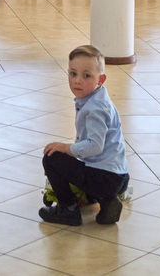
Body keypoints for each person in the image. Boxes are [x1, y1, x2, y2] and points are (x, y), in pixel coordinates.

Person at [38, 45, 129, 227]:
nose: (77, 81)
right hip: (120, 176)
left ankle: (68, 209)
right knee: (78, 164)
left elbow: (95, 146)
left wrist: (66, 148)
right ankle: (107, 201)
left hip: (104, 178)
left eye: (86, 76)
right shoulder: (98, 99)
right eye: (73, 74)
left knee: (52, 158)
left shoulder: (95, 108)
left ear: (100, 79)